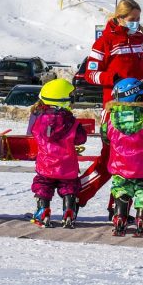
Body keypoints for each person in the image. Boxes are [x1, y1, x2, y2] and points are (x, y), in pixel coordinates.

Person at [78, 0, 143, 216]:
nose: (136, 23)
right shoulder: (105, 42)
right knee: (109, 160)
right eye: (132, 19)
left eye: (139, 19)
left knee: (132, 160)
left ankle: (118, 206)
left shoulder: (141, 40)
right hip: (114, 107)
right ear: (120, 18)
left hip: (140, 107)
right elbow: (90, 74)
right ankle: (78, 194)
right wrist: (111, 78)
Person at [104, 78, 143, 237]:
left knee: (121, 191)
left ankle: (119, 217)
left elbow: (105, 137)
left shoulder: (110, 121)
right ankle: (142, 219)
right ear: (137, 97)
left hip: (120, 167)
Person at [29, 79, 87, 228]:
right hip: (67, 166)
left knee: (43, 185)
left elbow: (33, 133)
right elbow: (81, 138)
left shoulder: (39, 120)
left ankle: (43, 211)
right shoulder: (71, 121)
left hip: (46, 164)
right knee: (69, 187)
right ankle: (68, 211)